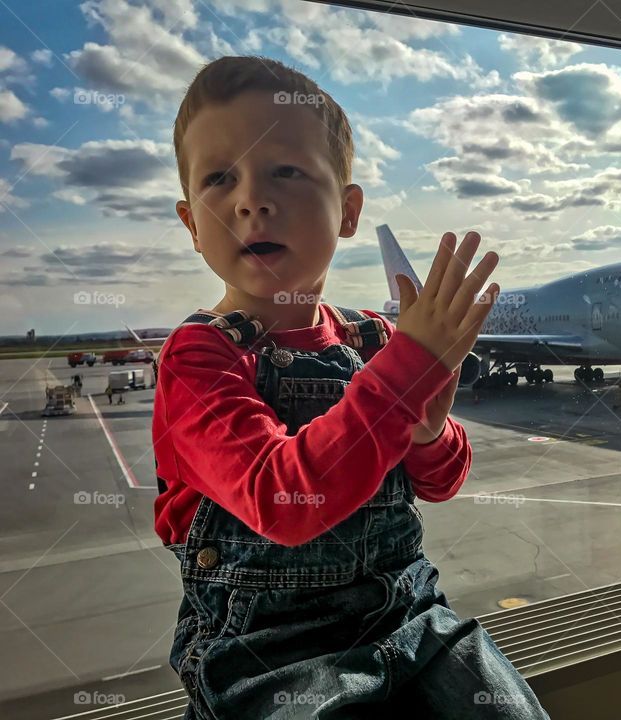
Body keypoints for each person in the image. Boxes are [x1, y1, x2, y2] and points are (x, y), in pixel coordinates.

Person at [153, 55, 549, 720]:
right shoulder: (200, 357)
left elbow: (439, 480)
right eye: (221, 178)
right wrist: (404, 379)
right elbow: (283, 498)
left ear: (348, 210)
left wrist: (427, 427)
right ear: (193, 224)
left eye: (286, 170)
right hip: (271, 653)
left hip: (413, 616)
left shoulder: (374, 341)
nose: (252, 197)